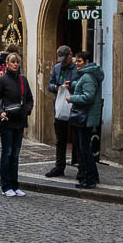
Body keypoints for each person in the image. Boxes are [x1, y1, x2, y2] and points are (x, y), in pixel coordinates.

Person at [0, 51, 33, 196]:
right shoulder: (2, 81)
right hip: (6, 121)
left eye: (17, 62)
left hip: (19, 121)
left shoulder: (23, 80)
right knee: (7, 153)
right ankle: (6, 185)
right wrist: (0, 112)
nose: (16, 64)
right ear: (7, 64)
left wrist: (27, 109)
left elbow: (29, 99)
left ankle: (15, 185)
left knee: (15, 155)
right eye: (13, 62)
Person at [68, 50, 105, 188]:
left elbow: (88, 97)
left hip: (85, 117)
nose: (76, 63)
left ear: (87, 62)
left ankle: (90, 179)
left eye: (79, 61)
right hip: (87, 117)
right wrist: (72, 85)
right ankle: (93, 176)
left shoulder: (88, 76)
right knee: (86, 148)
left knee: (85, 149)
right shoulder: (87, 75)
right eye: (75, 60)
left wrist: (71, 98)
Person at [44, 45, 76, 178]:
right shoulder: (57, 68)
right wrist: (55, 87)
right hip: (60, 108)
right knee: (60, 139)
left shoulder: (77, 69)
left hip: (75, 107)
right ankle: (59, 166)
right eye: (61, 59)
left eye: (65, 59)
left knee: (78, 139)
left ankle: (81, 166)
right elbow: (49, 84)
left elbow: (81, 84)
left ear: (70, 55)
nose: (63, 62)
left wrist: (71, 86)